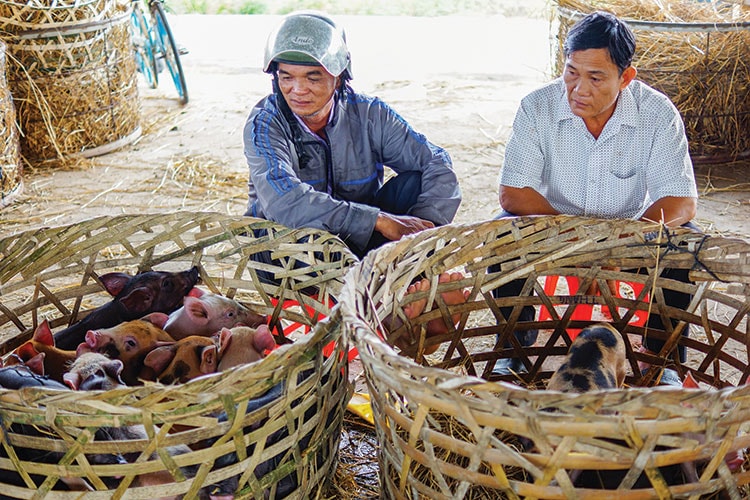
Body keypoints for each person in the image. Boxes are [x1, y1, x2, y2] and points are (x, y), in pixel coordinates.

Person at [492, 11, 699, 384]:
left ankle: (663, 355)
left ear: (626, 78)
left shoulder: (656, 113)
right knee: (501, 234)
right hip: (553, 234)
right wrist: (576, 241)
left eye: (596, 77)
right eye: (572, 72)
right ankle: (513, 349)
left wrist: (621, 246)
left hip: (632, 239)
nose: (578, 89)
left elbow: (680, 200)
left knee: (683, 244)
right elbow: (513, 193)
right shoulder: (537, 107)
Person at [243, 11, 461, 260]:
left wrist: (421, 230)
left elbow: (436, 161)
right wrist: (377, 220)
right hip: (289, 251)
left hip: (361, 242)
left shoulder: (370, 114)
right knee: (296, 229)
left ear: (338, 78)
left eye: (313, 78)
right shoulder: (265, 123)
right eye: (286, 77)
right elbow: (285, 204)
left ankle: (398, 262)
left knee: (417, 181)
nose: (298, 90)